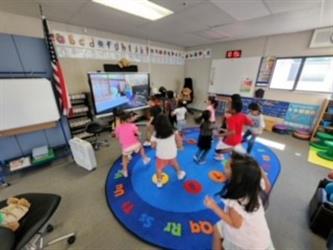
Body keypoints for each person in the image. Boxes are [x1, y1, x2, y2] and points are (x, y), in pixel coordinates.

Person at [204, 152, 274, 250]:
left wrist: (213, 207)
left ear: (237, 180)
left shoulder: (236, 201)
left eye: (228, 167)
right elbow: (268, 187)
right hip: (260, 235)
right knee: (217, 228)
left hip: (247, 242)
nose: (225, 166)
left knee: (218, 228)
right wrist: (260, 171)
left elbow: (235, 224)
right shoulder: (254, 185)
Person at [151, 114, 186, 188]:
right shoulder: (173, 132)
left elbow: (153, 147)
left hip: (161, 156)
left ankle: (159, 182)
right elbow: (179, 143)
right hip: (172, 154)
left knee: (159, 168)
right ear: (168, 122)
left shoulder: (155, 134)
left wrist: (159, 146)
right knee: (175, 164)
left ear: (156, 124)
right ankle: (179, 174)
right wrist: (178, 147)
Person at [115, 112, 151, 178]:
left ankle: (125, 171)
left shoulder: (118, 128)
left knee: (124, 157)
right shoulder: (132, 125)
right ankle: (145, 159)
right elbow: (139, 134)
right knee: (141, 148)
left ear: (120, 120)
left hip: (126, 148)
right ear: (127, 119)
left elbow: (117, 137)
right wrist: (137, 135)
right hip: (136, 145)